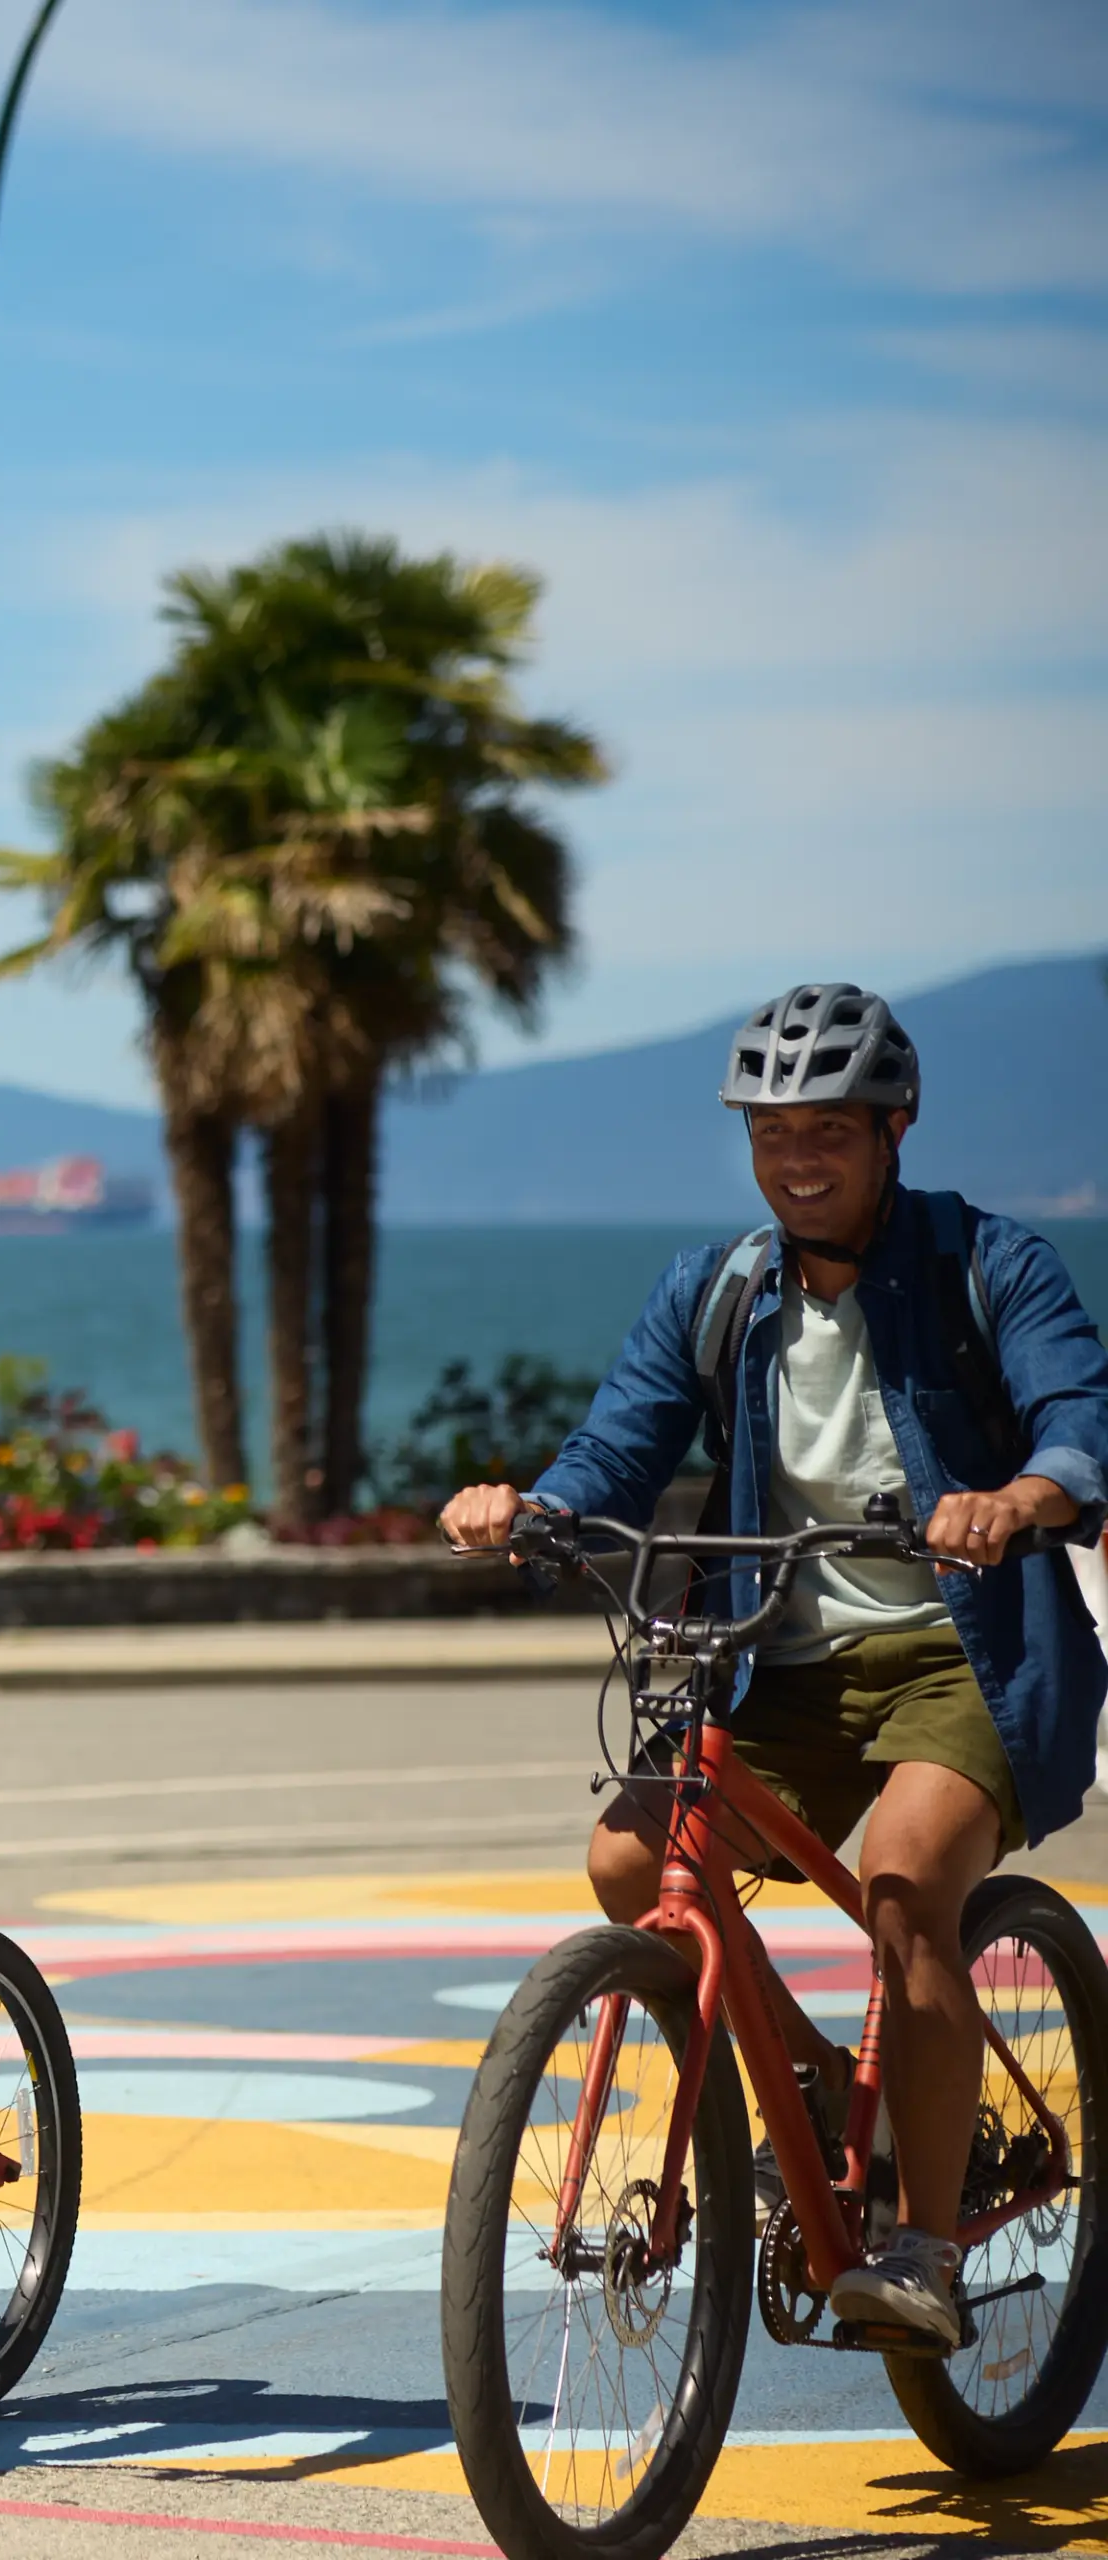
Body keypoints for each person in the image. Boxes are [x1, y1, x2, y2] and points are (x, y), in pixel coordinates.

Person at [441, 982, 1108, 2350]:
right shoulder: (720, 1292)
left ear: (894, 1127)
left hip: (961, 1651)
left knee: (906, 1882)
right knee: (635, 1862)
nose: (798, 1160)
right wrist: (535, 1511)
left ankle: (923, 2248)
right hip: (781, 1660)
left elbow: (1078, 1423)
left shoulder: (993, 1265)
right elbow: (616, 1448)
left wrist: (1021, 1499)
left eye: (829, 1133)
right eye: (771, 1133)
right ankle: (808, 2086)